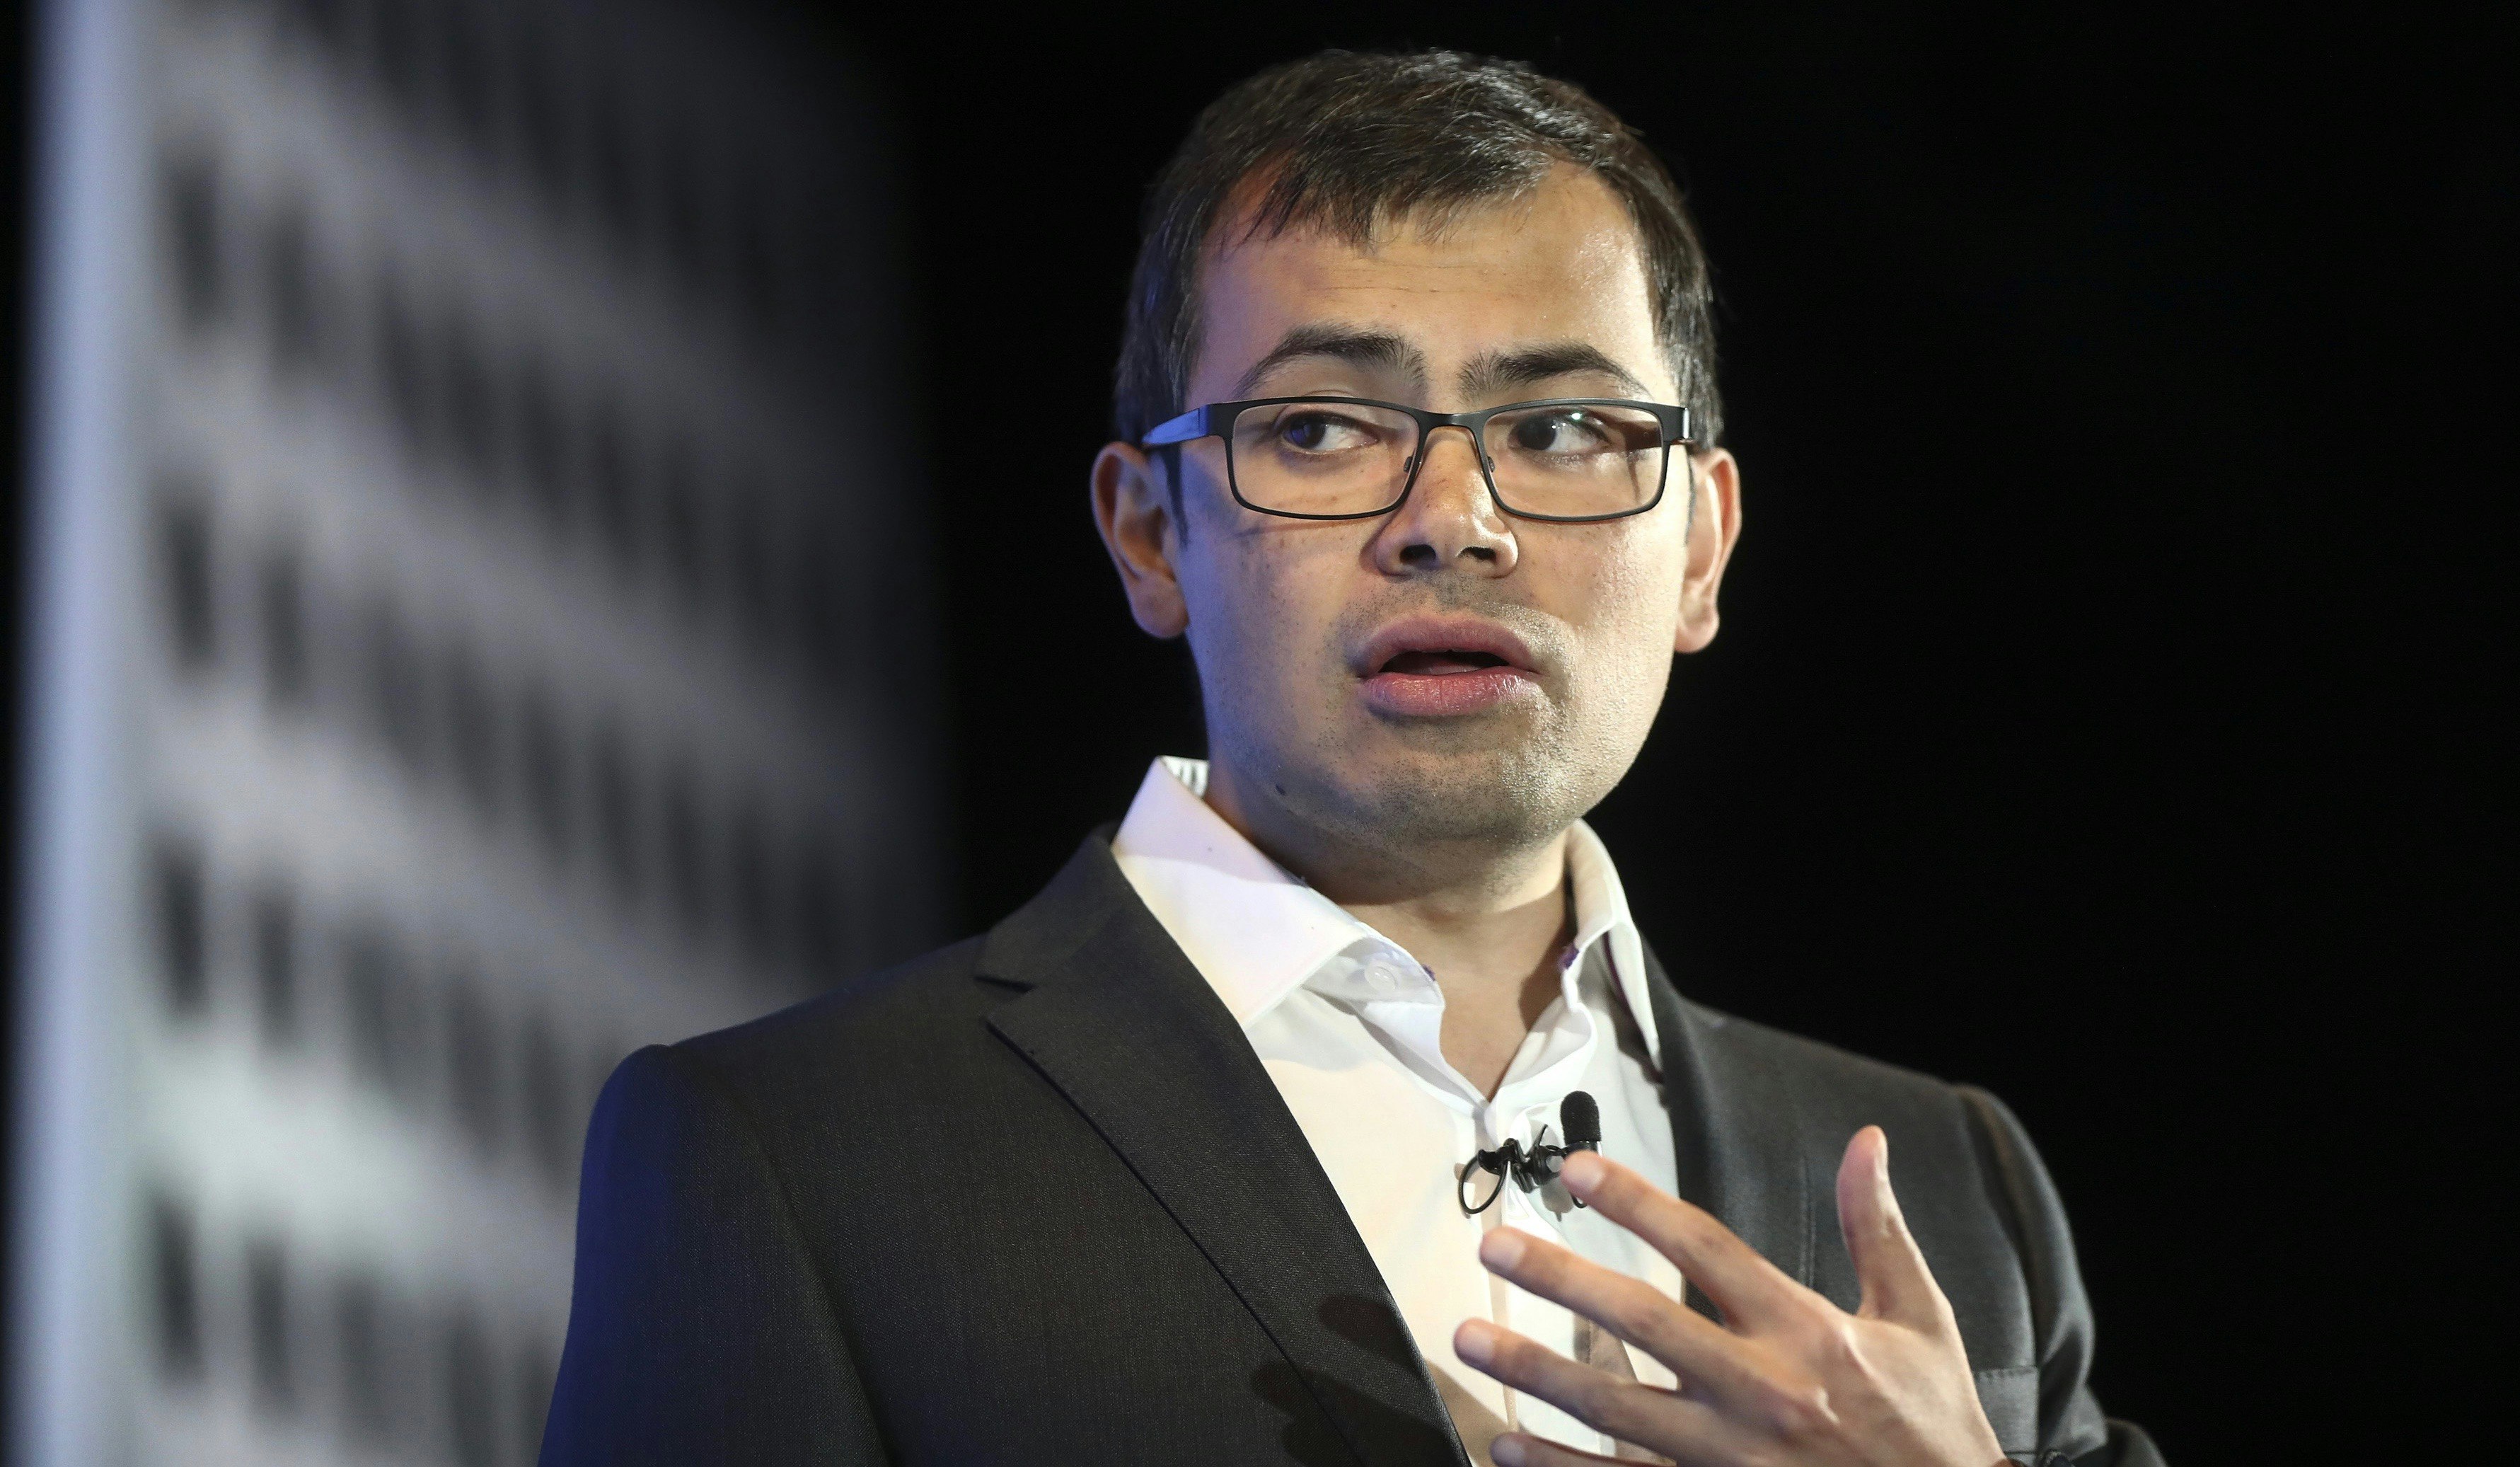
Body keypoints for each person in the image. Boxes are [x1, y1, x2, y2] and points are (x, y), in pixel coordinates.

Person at [541, 50, 2160, 1467]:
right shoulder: (795, 1155)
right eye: (1319, 428)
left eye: (1564, 431)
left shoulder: (1948, 1188)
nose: (1450, 520)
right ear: (1146, 531)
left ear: (1700, 548)